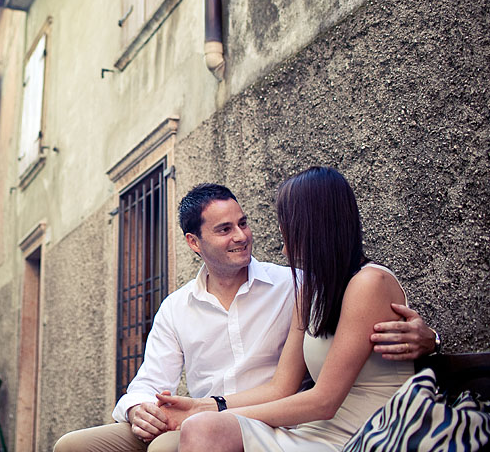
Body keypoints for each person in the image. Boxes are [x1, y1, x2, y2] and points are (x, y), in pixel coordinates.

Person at [54, 182, 438, 452]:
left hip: (278, 421)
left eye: (243, 223)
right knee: (71, 446)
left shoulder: (295, 285)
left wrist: (431, 340)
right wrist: (143, 409)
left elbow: (318, 394)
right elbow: (149, 383)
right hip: (217, 415)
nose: (243, 236)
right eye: (224, 229)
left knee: (180, 441)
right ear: (194, 243)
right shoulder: (177, 307)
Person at [164, 167, 415, 451]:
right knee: (205, 427)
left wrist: (211, 415)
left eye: (286, 222)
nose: (281, 235)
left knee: (205, 426)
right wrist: (202, 406)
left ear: (312, 224)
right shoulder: (309, 289)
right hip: (314, 430)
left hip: (369, 432)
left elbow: (324, 401)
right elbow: (280, 387)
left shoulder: (370, 283)